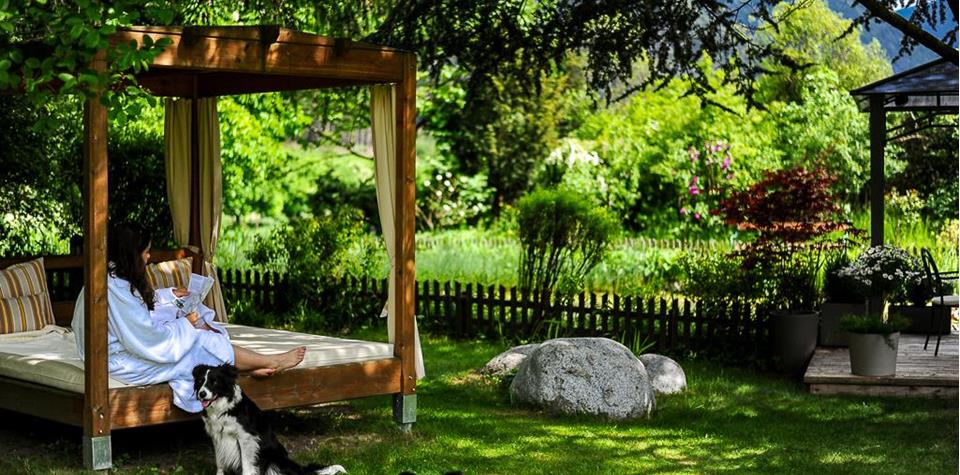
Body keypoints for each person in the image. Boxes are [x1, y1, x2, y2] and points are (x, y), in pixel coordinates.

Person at [71, 223, 305, 413]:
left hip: (120, 353)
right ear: (132, 255)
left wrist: (169, 296)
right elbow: (150, 339)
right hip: (121, 363)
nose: (149, 256)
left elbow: (134, 315)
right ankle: (270, 362)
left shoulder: (110, 279)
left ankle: (248, 367)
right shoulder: (115, 290)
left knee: (195, 334)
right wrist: (185, 325)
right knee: (201, 341)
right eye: (146, 252)